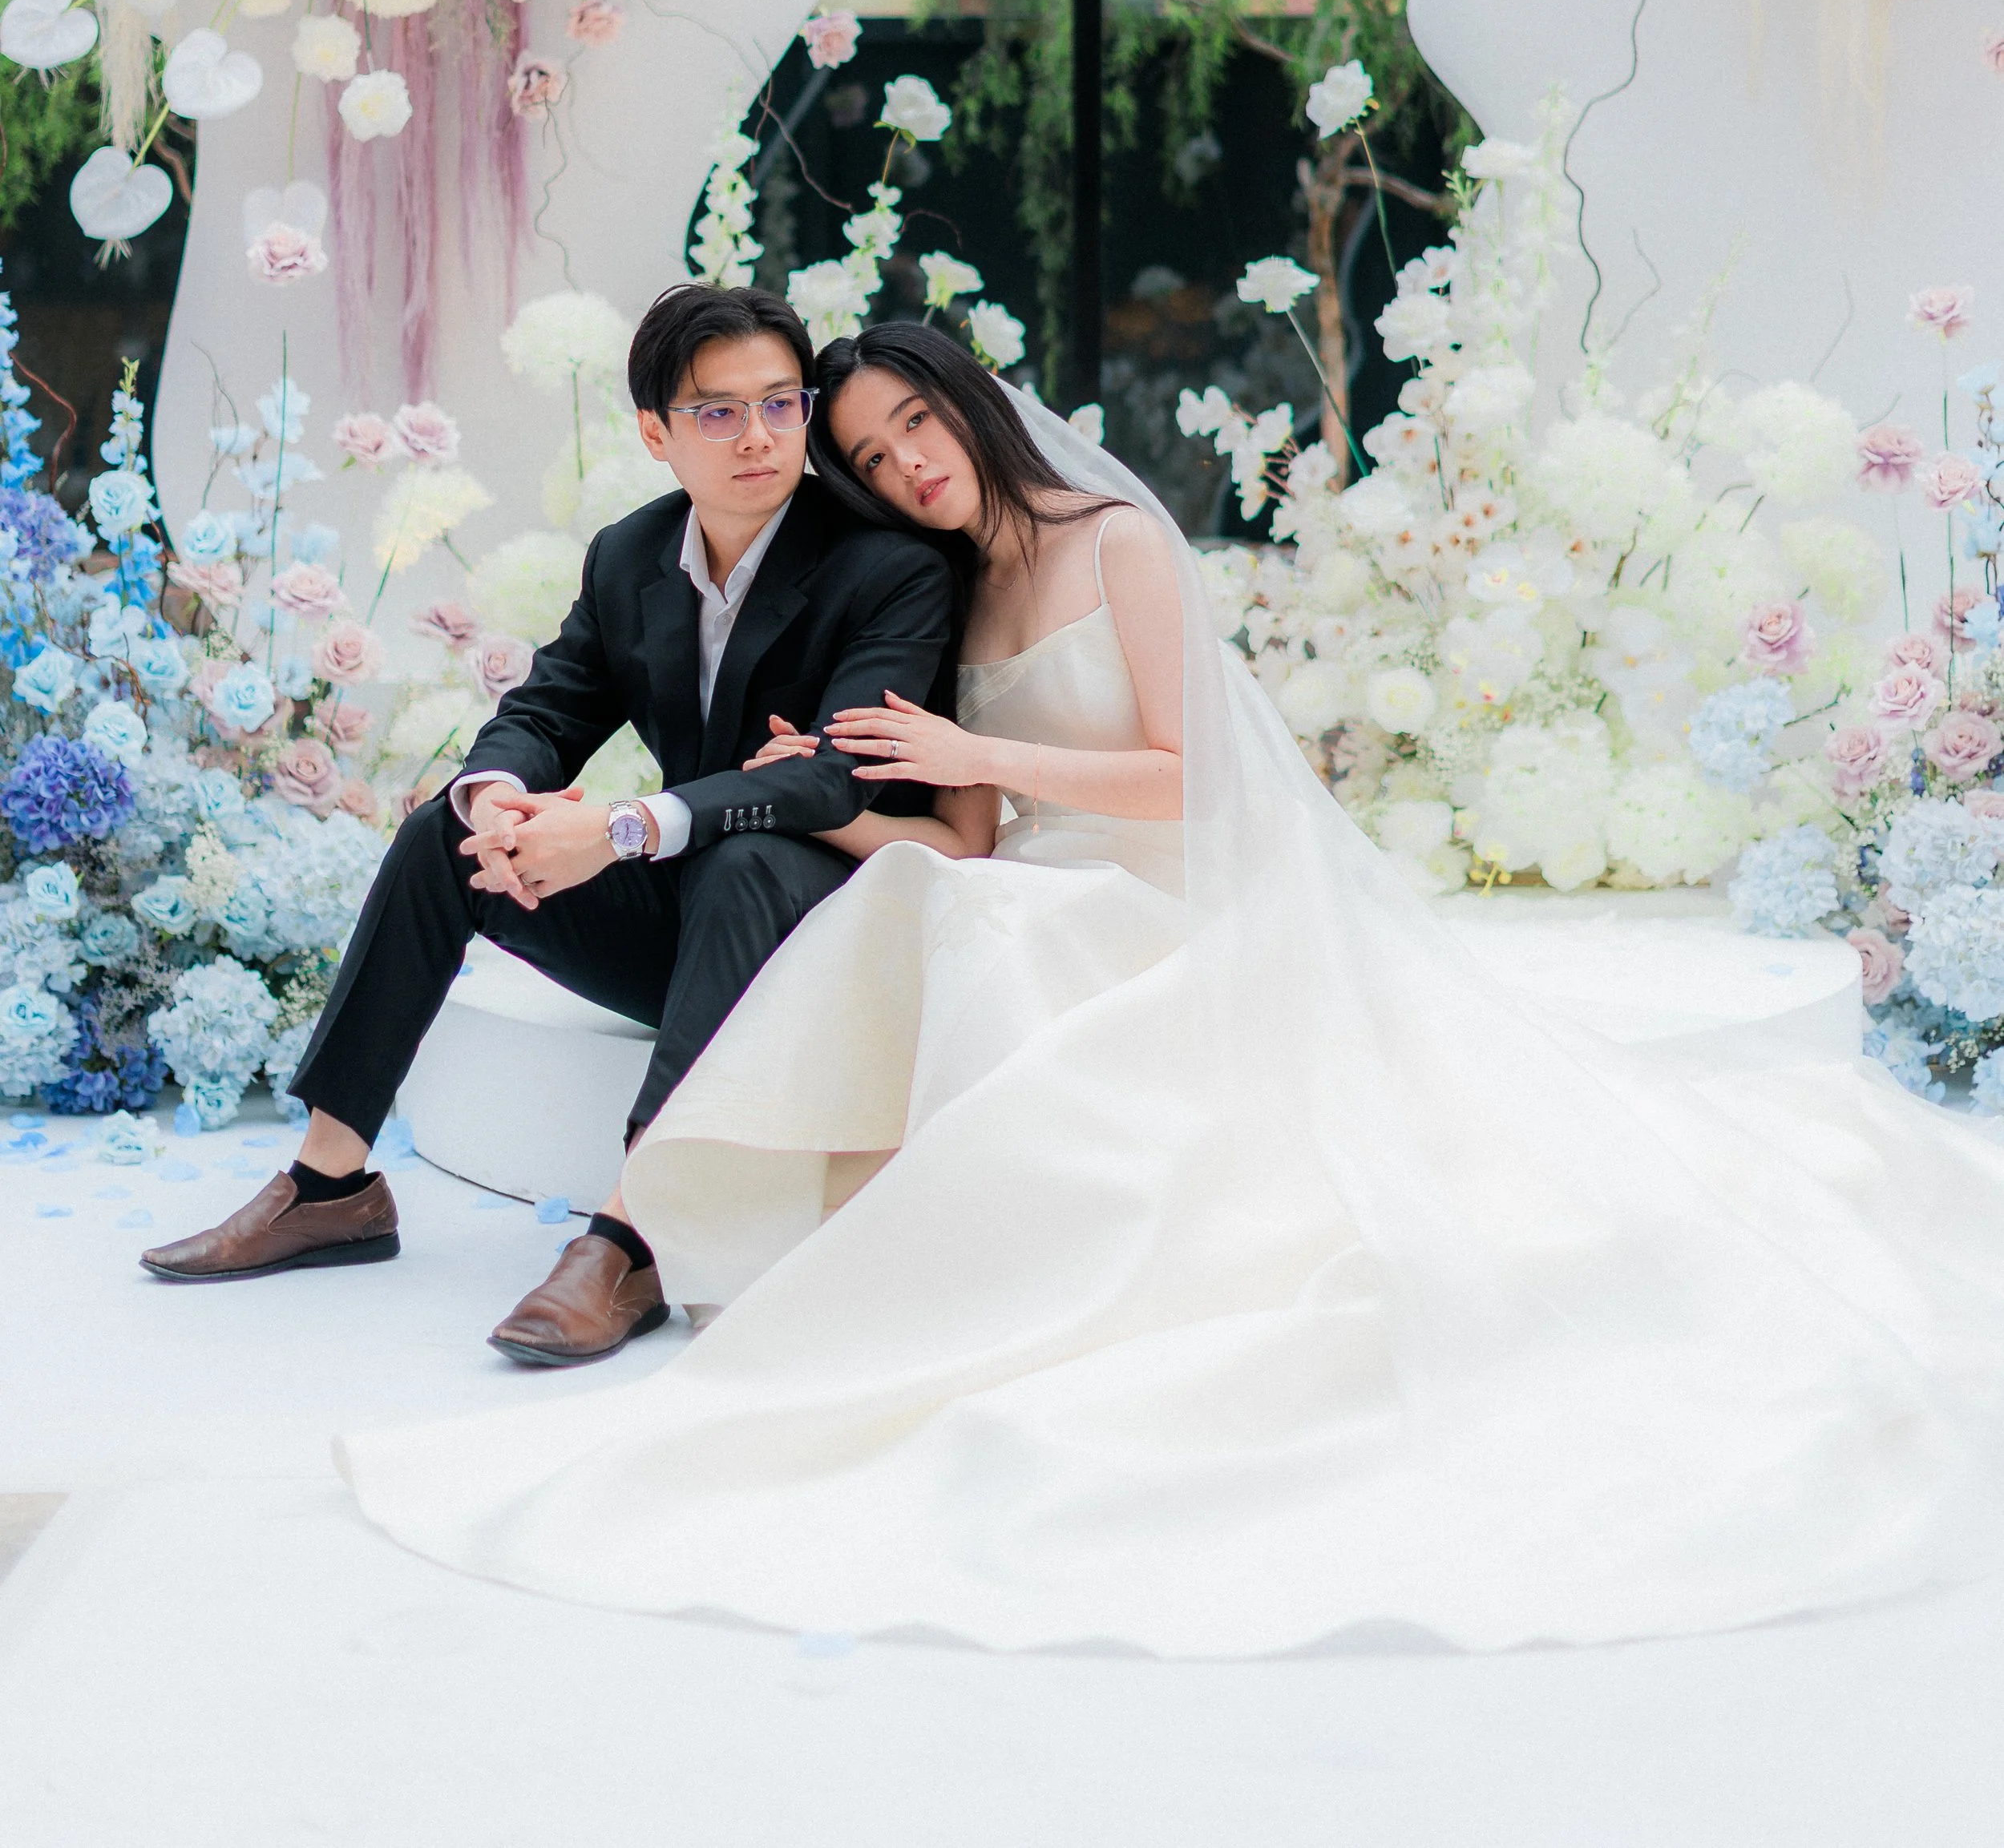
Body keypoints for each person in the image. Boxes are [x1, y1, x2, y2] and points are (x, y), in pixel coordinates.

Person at [339, 326, 2004, 1657]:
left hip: (1151, 879)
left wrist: (966, 754)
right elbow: (973, 824)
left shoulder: (1107, 536)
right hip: (1023, 862)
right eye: (868, 458)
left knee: (985, 939)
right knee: (909, 895)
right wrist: (855, 786)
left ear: (970, 404)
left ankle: (787, 1250)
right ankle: (681, 1217)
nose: (901, 466)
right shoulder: (936, 580)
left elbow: (1185, 780)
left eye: (912, 426)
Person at [138, 286, 957, 1369]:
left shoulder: (889, 564)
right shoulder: (630, 556)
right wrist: (501, 801)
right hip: (694, 936)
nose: (758, 437)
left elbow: (833, 778)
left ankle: (634, 1233)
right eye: (718, 412)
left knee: (755, 851)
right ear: (656, 433)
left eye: (781, 403)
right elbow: (547, 708)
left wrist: (622, 824)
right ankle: (332, 1184)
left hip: (819, 940)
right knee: (446, 827)